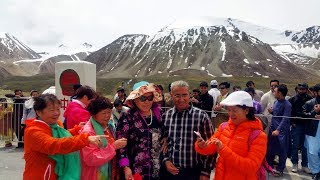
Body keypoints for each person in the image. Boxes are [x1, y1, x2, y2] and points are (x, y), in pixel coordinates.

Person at [23, 94, 105, 180]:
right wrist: (85, 139)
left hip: (56, 174)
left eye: (58, 109)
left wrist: (76, 130)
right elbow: (53, 144)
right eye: (52, 110)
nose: (56, 113)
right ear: (39, 112)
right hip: (40, 175)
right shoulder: (33, 131)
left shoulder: (55, 125)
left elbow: (62, 136)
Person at [195, 91, 267, 179]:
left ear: (247, 110)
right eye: (229, 110)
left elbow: (251, 167)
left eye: (235, 110)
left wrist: (223, 150)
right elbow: (210, 148)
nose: (231, 114)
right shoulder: (223, 127)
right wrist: (201, 146)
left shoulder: (258, 136)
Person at [161, 80, 215, 180]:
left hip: (194, 172)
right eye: (177, 95)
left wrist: (206, 172)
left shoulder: (202, 116)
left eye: (184, 95)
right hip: (171, 172)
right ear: (171, 95)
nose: (181, 99)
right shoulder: (166, 116)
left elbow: (211, 145)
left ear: (189, 95)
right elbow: (163, 143)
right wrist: (165, 160)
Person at [116, 81, 163, 180]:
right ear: (135, 100)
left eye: (149, 98)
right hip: (135, 171)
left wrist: (166, 138)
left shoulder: (159, 115)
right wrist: (125, 167)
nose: (146, 102)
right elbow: (121, 147)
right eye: (142, 98)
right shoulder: (127, 117)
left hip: (157, 170)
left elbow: (165, 134)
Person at [80, 96, 127, 180]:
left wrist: (126, 166)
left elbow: (122, 151)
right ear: (94, 114)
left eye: (109, 112)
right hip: (95, 175)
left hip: (113, 172)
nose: (107, 116)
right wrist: (113, 147)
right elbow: (90, 158)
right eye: (104, 113)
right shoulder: (88, 132)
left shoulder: (110, 126)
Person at [266, 84, 291, 177]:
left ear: (279, 93)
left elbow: (285, 119)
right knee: (270, 149)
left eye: (275, 91)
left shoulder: (287, 105)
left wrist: (278, 130)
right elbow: (276, 114)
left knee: (282, 151)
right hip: (272, 129)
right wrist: (271, 111)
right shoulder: (276, 102)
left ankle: (280, 169)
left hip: (281, 132)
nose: (273, 93)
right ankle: (269, 166)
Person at [288, 83, 312, 173]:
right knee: (295, 146)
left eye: (303, 89)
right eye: (300, 89)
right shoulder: (292, 99)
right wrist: (292, 122)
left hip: (307, 126)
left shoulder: (310, 100)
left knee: (305, 147)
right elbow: (289, 112)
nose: (301, 91)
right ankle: (294, 164)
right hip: (296, 126)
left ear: (306, 89)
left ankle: (305, 165)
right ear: (297, 89)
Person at [302, 84, 320, 179]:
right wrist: (314, 112)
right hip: (313, 131)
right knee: (313, 152)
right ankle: (316, 171)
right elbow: (303, 115)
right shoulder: (309, 103)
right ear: (316, 92)